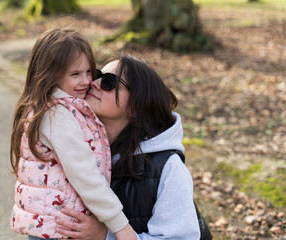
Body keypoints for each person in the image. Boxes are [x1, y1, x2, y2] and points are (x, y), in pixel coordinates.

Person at [54, 53, 201, 239]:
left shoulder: (168, 168)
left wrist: (105, 236)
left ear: (135, 105)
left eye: (108, 82)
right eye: (97, 75)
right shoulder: (74, 143)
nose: (93, 82)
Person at [9, 28, 136, 240]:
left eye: (89, 72)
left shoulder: (57, 108)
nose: (86, 81)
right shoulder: (57, 116)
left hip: (56, 224)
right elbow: (84, 175)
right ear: (50, 74)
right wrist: (121, 226)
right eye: (75, 74)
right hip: (59, 228)